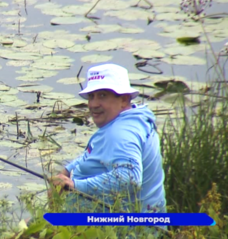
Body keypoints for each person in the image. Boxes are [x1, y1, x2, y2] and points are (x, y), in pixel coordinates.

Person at [51, 63, 167, 214]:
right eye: (91, 96)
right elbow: (94, 152)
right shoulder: (132, 118)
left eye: (103, 95)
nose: (93, 104)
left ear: (124, 99)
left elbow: (130, 178)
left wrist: (74, 185)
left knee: (26, 229)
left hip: (126, 231)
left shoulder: (121, 133)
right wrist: (67, 170)